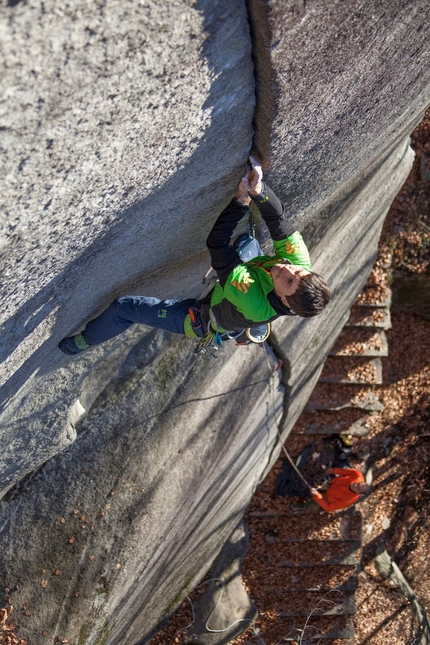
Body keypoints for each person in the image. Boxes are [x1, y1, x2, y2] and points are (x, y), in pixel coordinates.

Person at [59, 158, 331, 355]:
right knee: (248, 243)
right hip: (239, 287)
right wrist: (258, 190)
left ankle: (85, 341)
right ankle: (232, 294)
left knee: (124, 307)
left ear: (285, 299)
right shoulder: (297, 264)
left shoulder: (255, 301)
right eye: (298, 272)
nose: (288, 269)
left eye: (289, 280)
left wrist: (241, 202)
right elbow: (278, 220)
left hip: (205, 317)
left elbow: (217, 245)